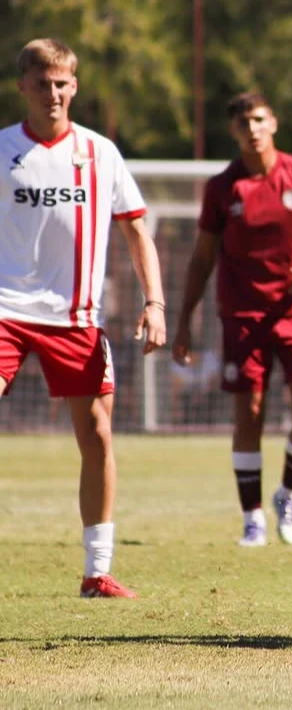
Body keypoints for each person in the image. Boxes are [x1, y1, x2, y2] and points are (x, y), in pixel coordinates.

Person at [0, 39, 167, 597]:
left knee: (97, 435)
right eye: (43, 82)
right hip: (6, 310)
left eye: (63, 83)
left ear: (75, 86)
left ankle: (97, 572)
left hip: (76, 318)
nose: (53, 93)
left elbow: (136, 230)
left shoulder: (101, 153)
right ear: (22, 84)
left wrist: (154, 303)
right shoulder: (2, 150)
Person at [172, 92, 292, 547]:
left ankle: (286, 494)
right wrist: (184, 319)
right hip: (243, 317)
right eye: (243, 121)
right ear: (233, 130)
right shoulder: (222, 188)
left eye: (259, 119)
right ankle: (252, 517)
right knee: (248, 415)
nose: (252, 128)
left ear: (274, 123)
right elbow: (202, 258)